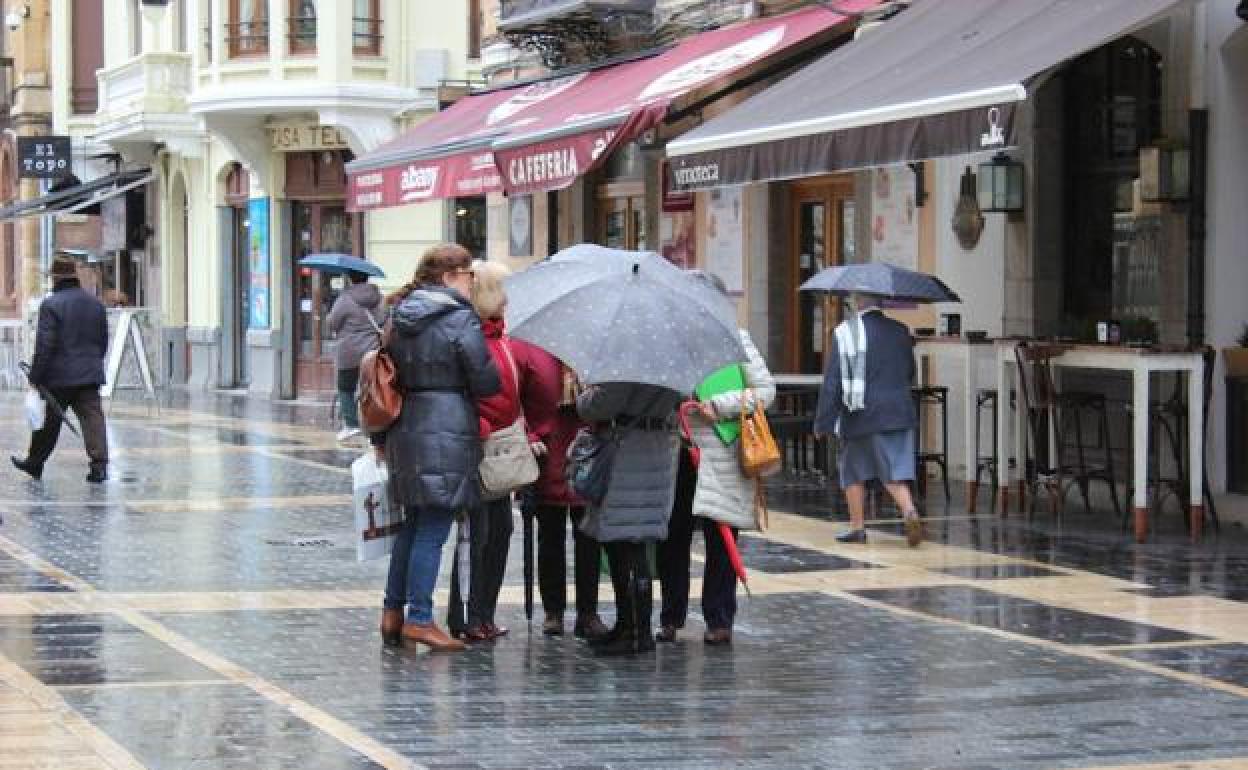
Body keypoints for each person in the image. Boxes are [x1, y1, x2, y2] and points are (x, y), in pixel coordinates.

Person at [376, 244, 501, 652]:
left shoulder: (399, 313)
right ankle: (421, 618)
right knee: (433, 528)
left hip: (406, 424)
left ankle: (393, 611)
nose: (472, 283)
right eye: (469, 276)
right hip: (446, 427)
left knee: (413, 525)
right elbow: (485, 380)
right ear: (449, 278)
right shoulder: (458, 317)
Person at [657, 270, 775, 645]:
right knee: (671, 537)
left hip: (721, 453)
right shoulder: (670, 343)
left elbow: (764, 391)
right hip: (677, 452)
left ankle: (719, 619)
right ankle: (671, 616)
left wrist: (719, 406)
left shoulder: (736, 341)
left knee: (721, 539)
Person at [576, 382, 682, 656]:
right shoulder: (668, 366)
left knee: (625, 544)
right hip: (655, 451)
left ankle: (635, 632)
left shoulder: (626, 364)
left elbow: (597, 405)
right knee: (630, 543)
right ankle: (630, 626)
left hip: (627, 456)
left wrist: (585, 394)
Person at [446, 260, 520, 642]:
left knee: (501, 529)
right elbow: (459, 389)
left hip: (500, 449)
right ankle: (467, 616)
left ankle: (484, 613)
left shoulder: (500, 336)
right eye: (502, 290)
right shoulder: (470, 335)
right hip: (476, 447)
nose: (508, 299)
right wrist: (480, 426)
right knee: (475, 533)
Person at [513, 342, 607, 639]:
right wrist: (528, 436)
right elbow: (515, 400)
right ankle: (553, 612)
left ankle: (588, 613)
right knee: (550, 537)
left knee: (588, 538)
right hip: (547, 454)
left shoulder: (594, 350)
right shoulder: (529, 350)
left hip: (587, 453)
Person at [814, 292, 923, 547]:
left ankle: (858, 527)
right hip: (899, 411)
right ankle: (909, 511)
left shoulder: (846, 333)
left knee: (853, 470)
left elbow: (833, 382)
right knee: (894, 472)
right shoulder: (900, 331)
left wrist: (823, 422)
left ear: (857, 302)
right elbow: (909, 370)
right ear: (881, 303)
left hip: (862, 413)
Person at [12, 254, 110, 484]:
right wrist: (92, 363)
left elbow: (45, 345)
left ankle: (35, 463)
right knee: (93, 418)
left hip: (59, 377)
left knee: (49, 421)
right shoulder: (95, 304)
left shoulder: (51, 305)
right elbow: (103, 341)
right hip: (89, 373)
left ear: (55, 279)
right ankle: (99, 467)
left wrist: (35, 377)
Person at [326, 269, 383, 442]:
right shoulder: (379, 297)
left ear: (350, 279)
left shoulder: (345, 299)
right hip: (373, 350)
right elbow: (386, 319)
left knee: (346, 387)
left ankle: (351, 425)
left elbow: (332, 324)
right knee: (371, 388)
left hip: (349, 352)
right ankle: (373, 424)